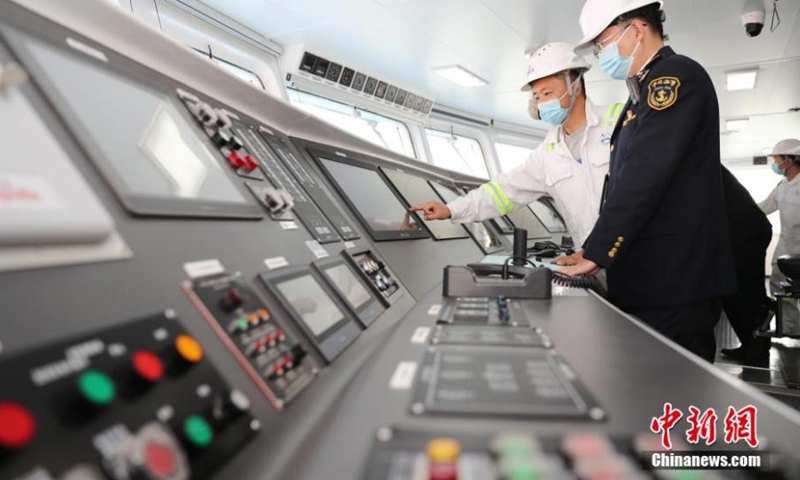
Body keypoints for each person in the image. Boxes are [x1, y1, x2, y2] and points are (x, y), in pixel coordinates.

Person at [561, 0, 736, 362]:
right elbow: (625, 179)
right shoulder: (638, 95)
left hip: (673, 282)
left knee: (674, 397)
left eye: (603, 44)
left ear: (637, 30)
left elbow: (644, 174)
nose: (600, 54)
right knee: (647, 395)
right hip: (655, 278)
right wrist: (595, 245)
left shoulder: (673, 78)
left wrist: (598, 251)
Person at [410, 42, 623, 252]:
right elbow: (504, 192)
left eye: (547, 93)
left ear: (575, 83)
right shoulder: (547, 154)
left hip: (637, 253)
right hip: (589, 261)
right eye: (537, 97)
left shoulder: (621, 121)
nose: (542, 104)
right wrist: (450, 209)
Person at [719, 167, 773, 364]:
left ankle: (757, 351)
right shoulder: (700, 163)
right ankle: (749, 345)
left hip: (746, 235)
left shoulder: (698, 165)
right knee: (734, 294)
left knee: (745, 294)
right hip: (742, 234)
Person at [760, 138, 800, 337]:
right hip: (784, 251)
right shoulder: (782, 187)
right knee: (781, 291)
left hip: (798, 251)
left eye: (777, 159)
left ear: (790, 159)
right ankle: (791, 329)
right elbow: (763, 208)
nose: (775, 164)